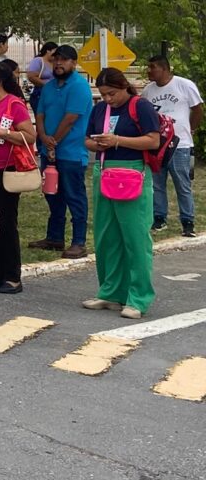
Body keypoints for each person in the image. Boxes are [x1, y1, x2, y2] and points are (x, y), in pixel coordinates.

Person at [84, 68, 160, 319]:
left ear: (124, 86)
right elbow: (87, 140)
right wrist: (99, 143)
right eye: (103, 94)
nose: (108, 99)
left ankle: (138, 297)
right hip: (104, 171)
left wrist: (117, 140)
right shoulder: (99, 110)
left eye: (112, 94)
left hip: (133, 172)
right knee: (107, 236)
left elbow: (152, 141)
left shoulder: (141, 107)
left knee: (135, 238)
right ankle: (110, 291)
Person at [30, 44, 94, 258]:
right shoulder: (48, 87)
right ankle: (55, 237)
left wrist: (53, 141)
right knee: (52, 195)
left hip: (71, 152)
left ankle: (79, 241)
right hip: (49, 151)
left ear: (74, 63)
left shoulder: (79, 86)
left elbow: (71, 118)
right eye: (55, 60)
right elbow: (39, 114)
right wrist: (43, 138)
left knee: (74, 196)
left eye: (64, 60)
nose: (58, 63)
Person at [0, 62, 36, 294]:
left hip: (7, 168)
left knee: (6, 221)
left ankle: (12, 275)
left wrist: (5, 133)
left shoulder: (14, 105)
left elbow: (30, 135)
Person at [142, 55, 202, 237]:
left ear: (164, 69)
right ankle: (159, 218)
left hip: (179, 144)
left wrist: (191, 129)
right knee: (157, 183)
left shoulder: (184, 85)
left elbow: (198, 109)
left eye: (153, 67)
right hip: (157, 144)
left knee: (182, 183)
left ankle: (188, 221)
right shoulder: (148, 91)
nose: (149, 71)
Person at [25, 42, 58, 114]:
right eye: (54, 52)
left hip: (54, 95)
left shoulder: (55, 62)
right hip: (40, 95)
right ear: (48, 51)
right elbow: (31, 76)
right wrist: (46, 84)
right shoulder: (38, 61)